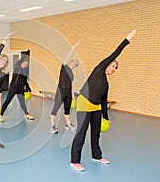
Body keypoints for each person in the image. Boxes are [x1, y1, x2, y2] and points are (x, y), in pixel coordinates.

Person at [70, 30, 136, 172]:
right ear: (107, 65)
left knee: (96, 133)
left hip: (95, 107)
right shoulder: (98, 70)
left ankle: (97, 156)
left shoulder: (106, 84)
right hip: (83, 102)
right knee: (81, 133)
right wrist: (126, 40)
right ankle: (74, 161)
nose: (114, 69)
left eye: (116, 68)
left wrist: (106, 117)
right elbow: (114, 54)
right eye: (113, 66)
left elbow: (103, 100)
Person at [50, 42, 80, 134]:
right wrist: (73, 48)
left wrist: (72, 95)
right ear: (70, 62)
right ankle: (52, 127)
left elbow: (71, 85)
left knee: (67, 109)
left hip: (68, 92)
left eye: (76, 64)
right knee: (56, 108)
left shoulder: (72, 74)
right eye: (74, 62)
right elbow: (68, 55)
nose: (74, 64)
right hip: (61, 90)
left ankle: (68, 125)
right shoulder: (64, 67)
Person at [0, 50, 34, 122]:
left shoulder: (24, 73)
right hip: (13, 87)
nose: (25, 64)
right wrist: (26, 54)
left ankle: (27, 114)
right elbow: (20, 60)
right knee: (7, 101)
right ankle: (1, 115)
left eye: (27, 64)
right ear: (22, 63)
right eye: (25, 63)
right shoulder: (17, 67)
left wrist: (29, 90)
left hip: (20, 89)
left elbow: (25, 82)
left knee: (22, 103)